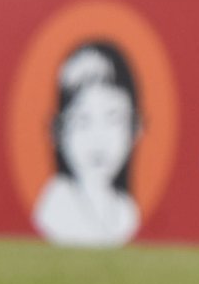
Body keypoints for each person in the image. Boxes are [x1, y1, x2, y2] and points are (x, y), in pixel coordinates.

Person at [32, 40, 144, 248]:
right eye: (82, 120)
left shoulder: (126, 212)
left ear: (135, 128)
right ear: (59, 131)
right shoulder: (54, 208)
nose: (98, 138)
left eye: (113, 118)